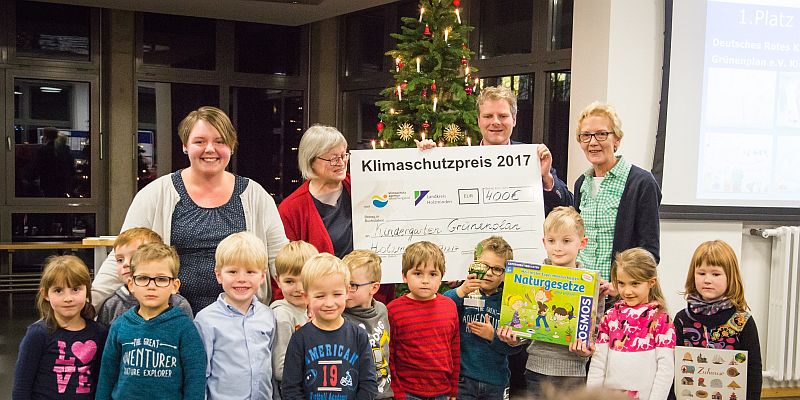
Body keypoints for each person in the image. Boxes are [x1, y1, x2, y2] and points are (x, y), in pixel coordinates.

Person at [91, 106, 288, 315]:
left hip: (242, 320)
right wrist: (88, 305)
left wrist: (308, 298)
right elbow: (122, 254)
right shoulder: (155, 194)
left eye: (220, 141)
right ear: (185, 146)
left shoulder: (255, 196)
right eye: (199, 141)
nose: (210, 149)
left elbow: (281, 260)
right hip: (169, 319)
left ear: (231, 146)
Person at [278, 124, 394, 305]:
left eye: (343, 155)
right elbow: (285, 269)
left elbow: (403, 182)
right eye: (332, 158)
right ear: (310, 161)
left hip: (366, 303)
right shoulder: (291, 209)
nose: (341, 162)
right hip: (322, 307)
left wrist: (425, 153)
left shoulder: (362, 185)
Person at [417, 85, 573, 216]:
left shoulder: (534, 158)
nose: (496, 122)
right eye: (488, 116)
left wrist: (546, 178)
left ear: (514, 120)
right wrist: (426, 159)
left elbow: (568, 206)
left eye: (503, 116)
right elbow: (431, 199)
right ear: (479, 121)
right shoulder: (457, 162)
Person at [96, 243, 206, 400]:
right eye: (143, 278)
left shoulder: (185, 328)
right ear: (131, 284)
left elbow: (195, 379)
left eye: (161, 279)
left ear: (174, 286)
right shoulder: (119, 326)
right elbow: (106, 376)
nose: (151, 286)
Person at [571, 102, 662, 289]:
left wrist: (619, 285)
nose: (593, 142)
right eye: (586, 135)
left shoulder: (642, 183)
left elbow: (650, 252)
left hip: (622, 296)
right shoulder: (581, 184)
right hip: (583, 292)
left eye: (601, 134)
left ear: (617, 140)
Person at [672, 240, 762, 400]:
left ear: (730, 277)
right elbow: (672, 367)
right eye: (701, 273)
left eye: (716, 274)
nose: (707, 280)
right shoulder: (682, 319)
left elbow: (753, 369)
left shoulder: (742, 321)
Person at [281, 253, 378, 400]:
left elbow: (368, 384)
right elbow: (291, 388)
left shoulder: (359, 336)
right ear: (306, 297)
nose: (329, 303)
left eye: (337, 294)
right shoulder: (300, 338)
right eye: (320, 296)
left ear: (347, 292)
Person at [583, 248, 675, 400]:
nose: (627, 291)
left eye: (635, 284)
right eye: (621, 283)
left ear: (651, 282)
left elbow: (665, 370)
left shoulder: (660, 319)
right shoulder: (610, 317)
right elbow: (598, 364)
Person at [194, 232, 276, 400]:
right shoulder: (206, 320)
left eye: (250, 272)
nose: (241, 279)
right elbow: (200, 374)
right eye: (232, 271)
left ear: (262, 276)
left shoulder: (268, 316)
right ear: (218, 275)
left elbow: (271, 363)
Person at [12, 255, 107, 399]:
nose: (68, 298)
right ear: (45, 294)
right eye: (58, 291)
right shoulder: (38, 334)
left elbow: (102, 380)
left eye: (76, 289)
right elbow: (21, 386)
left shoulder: (99, 333)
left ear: (87, 291)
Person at [521, 207, 592, 396]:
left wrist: (587, 350)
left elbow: (595, 333)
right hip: (536, 370)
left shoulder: (591, 284)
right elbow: (524, 327)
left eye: (566, 241)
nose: (558, 247)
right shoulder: (531, 278)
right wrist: (512, 338)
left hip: (572, 374)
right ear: (544, 242)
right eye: (551, 241)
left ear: (582, 243)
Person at [443, 236, 516, 400]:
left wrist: (492, 336)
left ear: (505, 274)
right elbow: (442, 308)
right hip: (463, 380)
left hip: (496, 382)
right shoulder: (463, 293)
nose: (489, 273)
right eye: (484, 266)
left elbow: (515, 347)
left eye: (497, 269)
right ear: (474, 265)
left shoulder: (510, 303)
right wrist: (461, 291)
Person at [388, 241, 460, 400]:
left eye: (433, 274)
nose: (425, 280)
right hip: (408, 393)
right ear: (404, 276)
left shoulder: (449, 306)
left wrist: (453, 389)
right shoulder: (393, 310)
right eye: (418, 273)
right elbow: (389, 356)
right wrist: (398, 393)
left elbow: (454, 350)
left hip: (442, 391)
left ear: (441, 277)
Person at [96, 227, 192, 327]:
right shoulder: (112, 304)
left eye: (134, 257)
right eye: (120, 260)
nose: (125, 264)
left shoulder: (178, 304)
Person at [342, 249, 393, 399]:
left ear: (374, 288)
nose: (346, 291)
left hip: (384, 393)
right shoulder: (340, 317)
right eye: (343, 284)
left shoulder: (382, 310)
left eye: (353, 285)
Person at [270, 240, 318, 397]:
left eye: (304, 280)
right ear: (278, 280)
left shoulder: (310, 310)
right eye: (289, 281)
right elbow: (280, 369)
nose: (298, 288)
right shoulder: (282, 316)